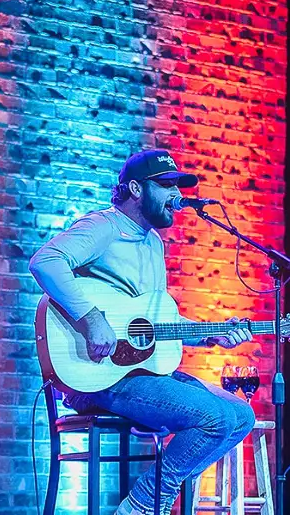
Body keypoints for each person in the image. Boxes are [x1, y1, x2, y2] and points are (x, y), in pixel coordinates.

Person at [29, 149, 256, 515]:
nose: (175, 196)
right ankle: (145, 504)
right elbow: (46, 262)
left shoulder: (154, 243)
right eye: (165, 186)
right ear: (136, 188)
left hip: (140, 371)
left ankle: (148, 499)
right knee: (213, 418)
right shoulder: (105, 226)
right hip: (102, 375)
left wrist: (209, 334)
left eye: (177, 187)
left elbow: (153, 321)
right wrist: (91, 319)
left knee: (240, 417)